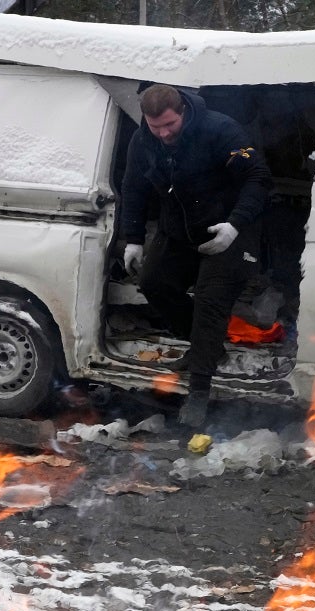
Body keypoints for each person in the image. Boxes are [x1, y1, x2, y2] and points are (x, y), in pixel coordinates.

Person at [119, 84, 272, 428]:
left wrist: (234, 226)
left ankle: (199, 392)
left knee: (209, 298)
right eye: (155, 126)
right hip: (180, 230)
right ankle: (206, 347)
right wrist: (133, 239)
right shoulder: (143, 139)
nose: (163, 133)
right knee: (154, 283)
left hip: (231, 227)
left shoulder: (220, 129)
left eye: (169, 125)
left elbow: (259, 178)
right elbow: (133, 186)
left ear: (183, 112)